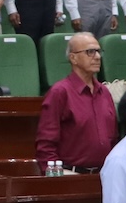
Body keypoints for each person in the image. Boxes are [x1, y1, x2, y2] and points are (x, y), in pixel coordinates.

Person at [36, 33, 115, 171]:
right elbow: (46, 143)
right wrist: (56, 176)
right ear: (73, 58)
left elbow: (113, 138)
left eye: (98, 51)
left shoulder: (104, 92)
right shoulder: (60, 92)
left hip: (105, 174)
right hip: (71, 175)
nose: (97, 56)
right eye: (90, 52)